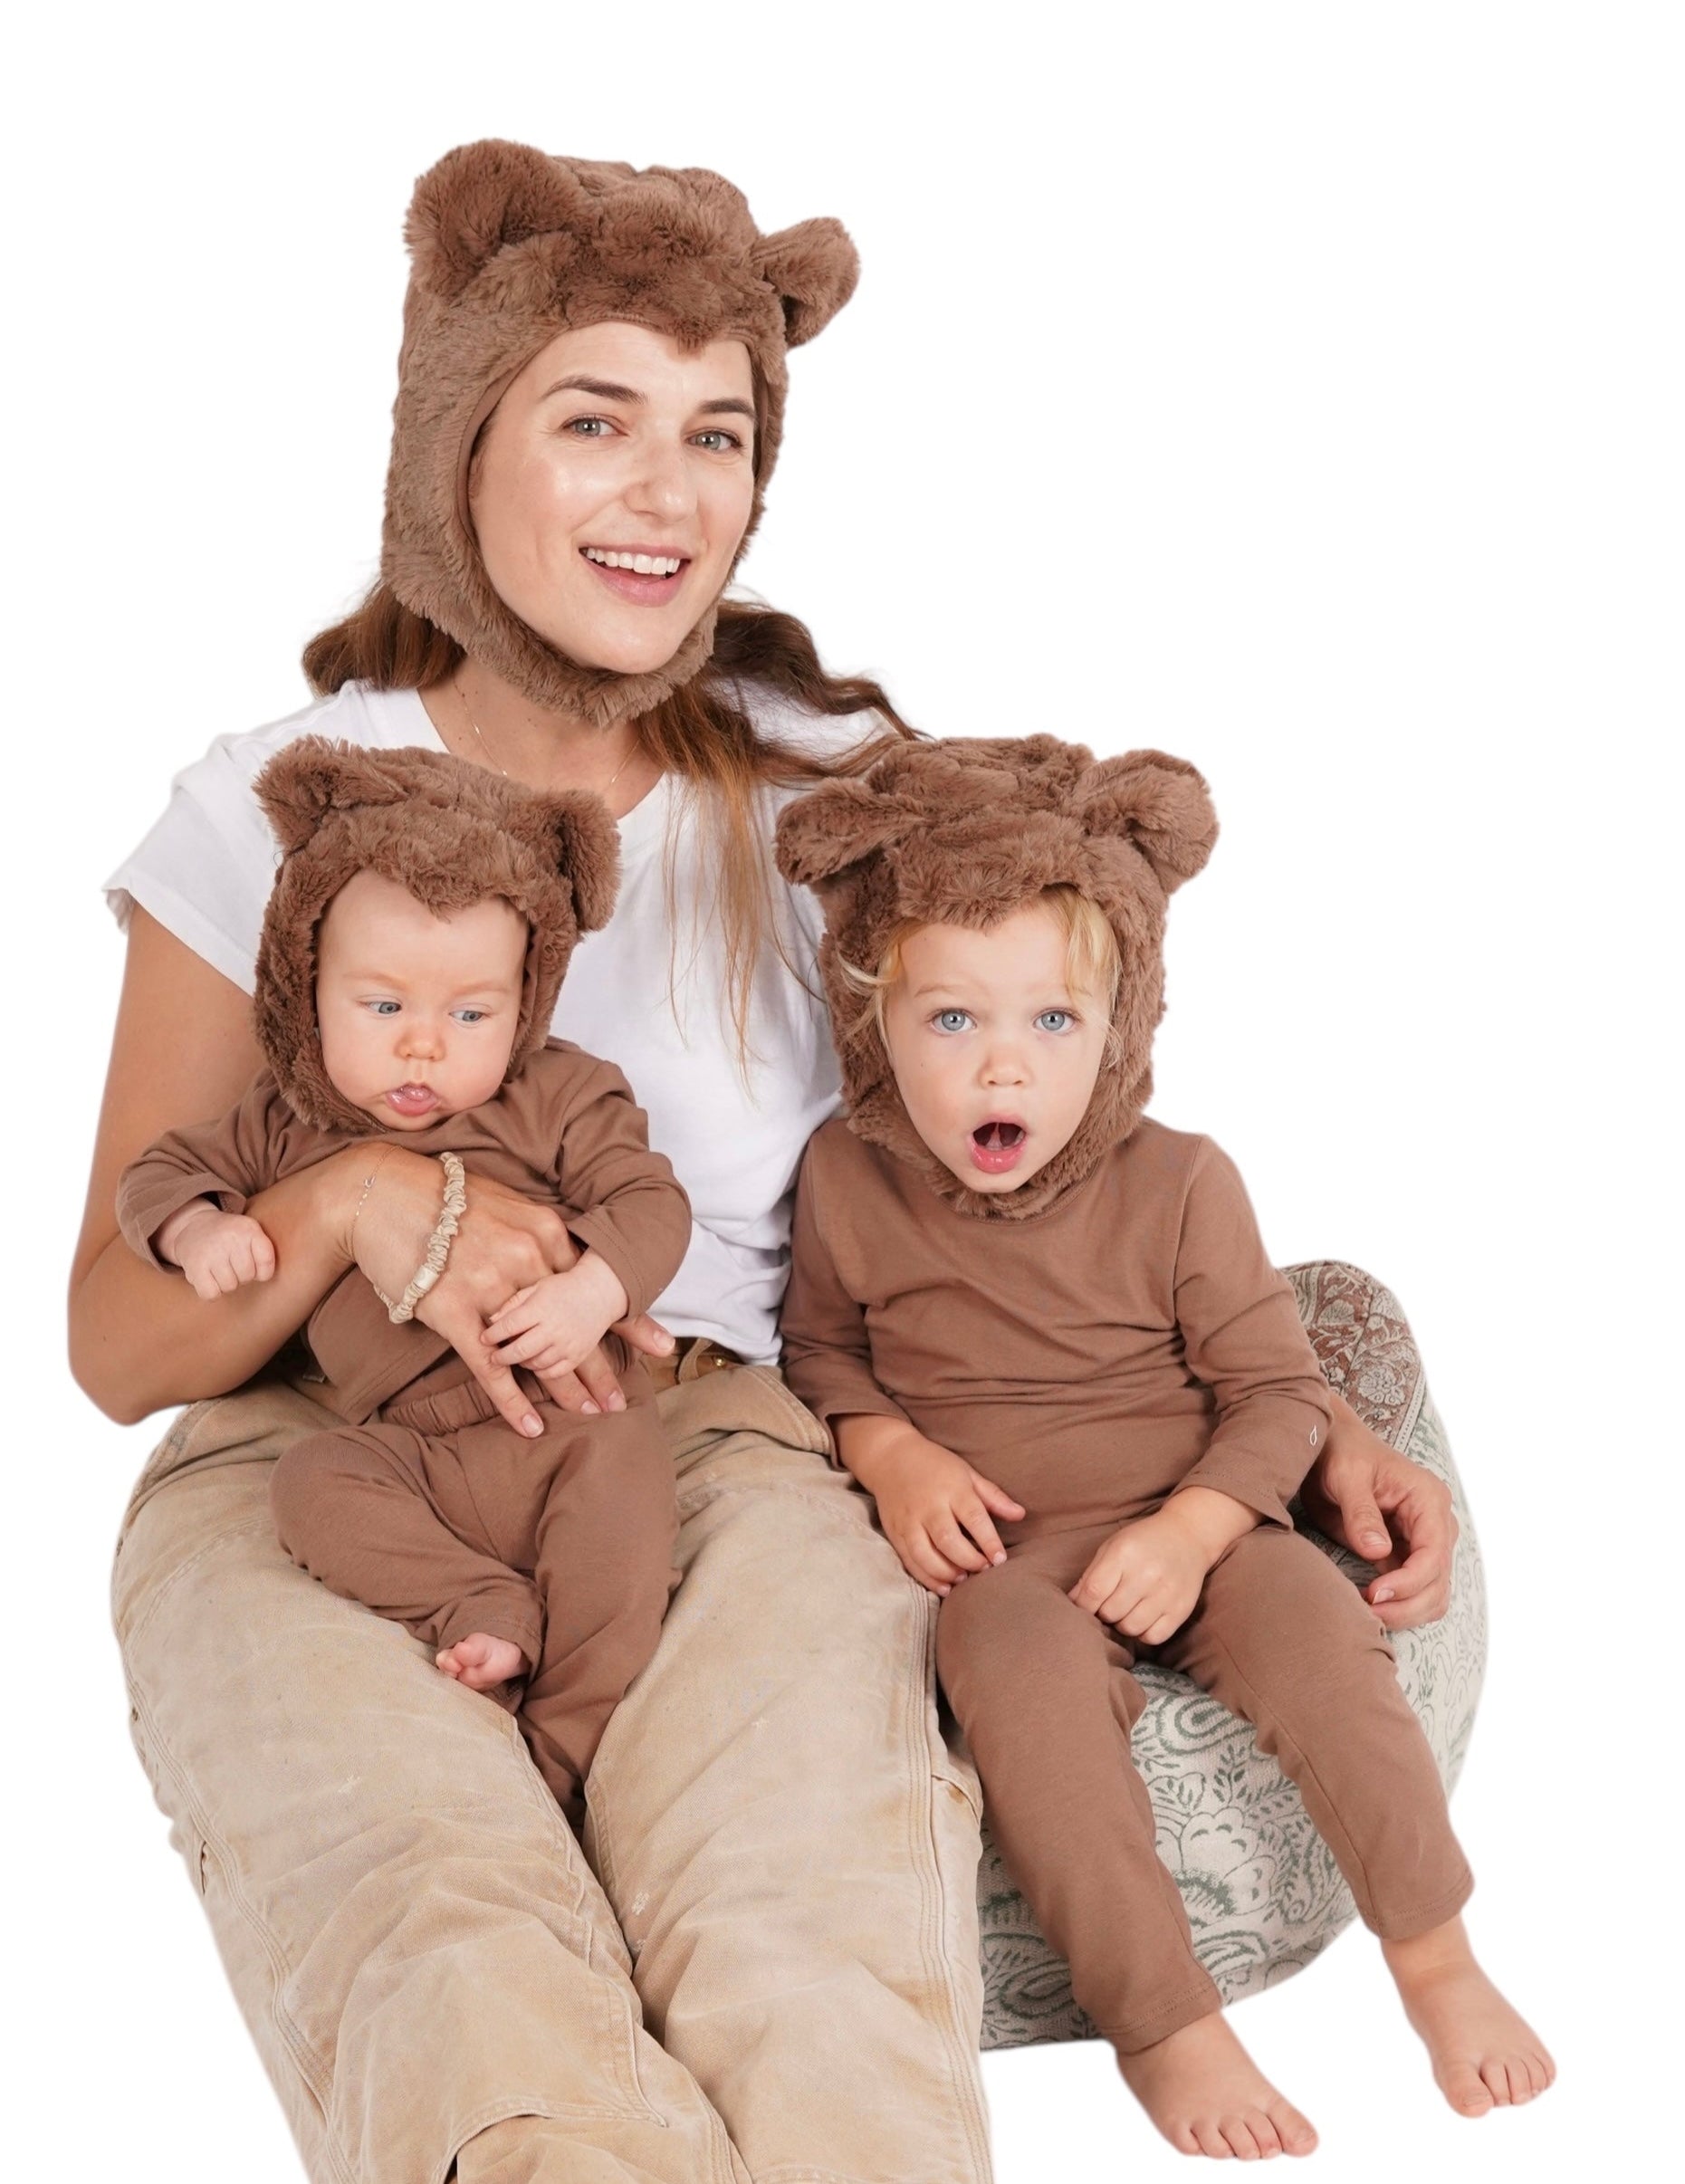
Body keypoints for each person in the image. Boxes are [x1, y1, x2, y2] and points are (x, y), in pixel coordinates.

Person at [68, 139, 1463, 2184]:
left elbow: (1041, 1154)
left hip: (717, 1444)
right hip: (316, 1460)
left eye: (714, 432)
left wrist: (1277, 1416)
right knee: (443, 1945)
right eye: (592, 417)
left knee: (807, 1946)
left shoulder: (827, 805)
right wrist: (356, 1200)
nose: (664, 491)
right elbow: (118, 1343)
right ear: (455, 442)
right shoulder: (268, 804)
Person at [775, 733, 1555, 2162]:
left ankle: (1434, 1954)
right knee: (1007, 1678)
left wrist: (1197, 1528)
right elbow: (818, 1355)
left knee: (1321, 1636)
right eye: (950, 1022)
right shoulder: (843, 1177)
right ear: (873, 1019)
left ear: (1123, 1024)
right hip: (1003, 1555)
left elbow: (1278, 1391)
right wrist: (889, 1454)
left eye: (1053, 1024)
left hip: (1202, 1519)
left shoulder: (1183, 1182)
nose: (1000, 1062)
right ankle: (1163, 2023)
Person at [116, 738, 692, 1831]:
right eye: (381, 1009)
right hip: (410, 1450)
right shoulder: (287, 1122)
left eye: (471, 1015)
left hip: (578, 1422)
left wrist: (594, 1294)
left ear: (526, 1003)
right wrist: (196, 1232)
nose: (423, 1049)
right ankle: (475, 1601)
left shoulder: (564, 1095)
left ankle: (558, 1759)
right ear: (306, 991)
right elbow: (158, 1173)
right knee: (309, 1488)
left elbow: (651, 1203)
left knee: (620, 1570)